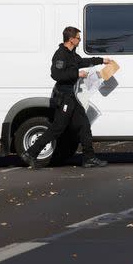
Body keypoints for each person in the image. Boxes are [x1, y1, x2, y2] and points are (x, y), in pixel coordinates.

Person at [21, 26, 112, 169]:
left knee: (84, 125)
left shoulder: (72, 54)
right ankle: (31, 153)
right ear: (71, 39)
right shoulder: (60, 54)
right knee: (57, 128)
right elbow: (56, 75)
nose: (80, 40)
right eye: (78, 38)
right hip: (63, 97)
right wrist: (77, 74)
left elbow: (82, 62)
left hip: (71, 97)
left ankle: (89, 158)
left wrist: (102, 60)